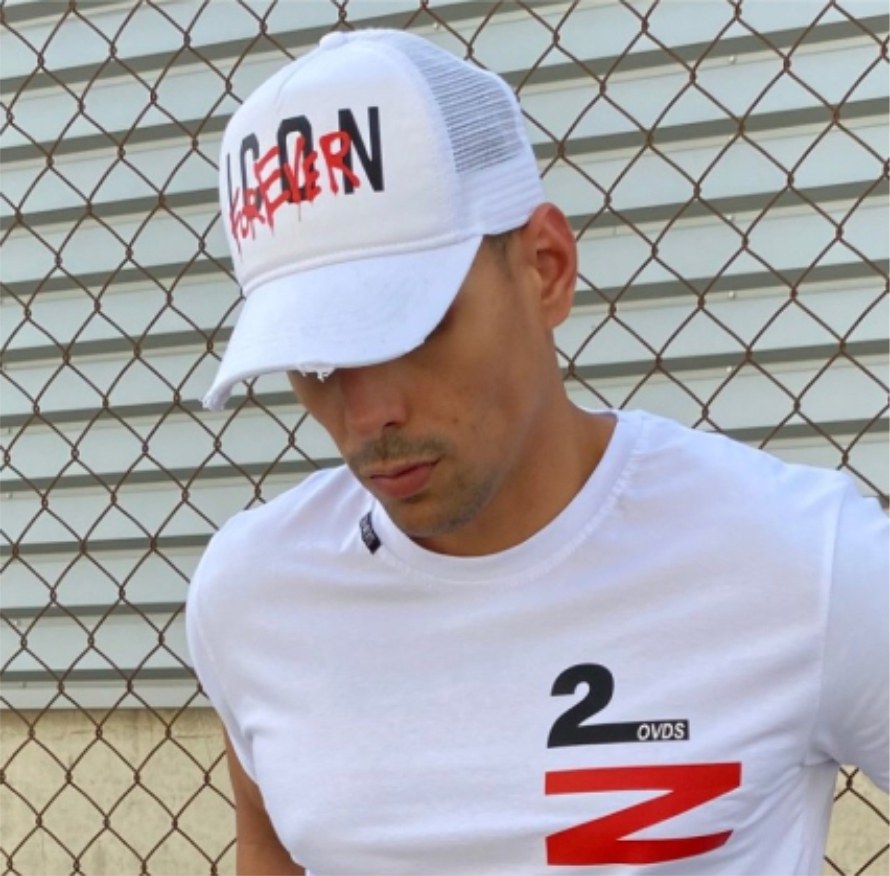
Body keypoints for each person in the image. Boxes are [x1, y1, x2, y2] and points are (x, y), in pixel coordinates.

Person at [186, 28, 888, 876]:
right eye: (315, 359)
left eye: (412, 327)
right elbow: (271, 845)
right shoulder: (254, 593)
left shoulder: (808, 562)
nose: (369, 414)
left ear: (545, 269)